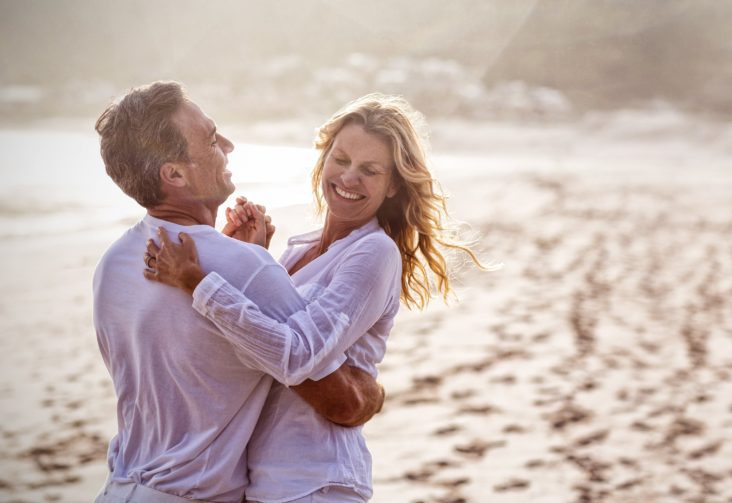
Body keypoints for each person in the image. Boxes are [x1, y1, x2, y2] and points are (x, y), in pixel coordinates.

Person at [145, 93, 485, 502]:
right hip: (265, 476)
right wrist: (255, 258)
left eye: (369, 170)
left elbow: (298, 355)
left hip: (315, 479)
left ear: (394, 184)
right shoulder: (297, 249)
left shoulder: (374, 252)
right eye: (340, 160)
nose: (348, 178)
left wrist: (199, 283)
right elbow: (263, 342)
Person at [92, 81, 384, 503]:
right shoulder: (244, 268)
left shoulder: (114, 262)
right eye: (212, 140)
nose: (228, 145)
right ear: (174, 174)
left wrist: (246, 260)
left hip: (120, 488)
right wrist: (374, 394)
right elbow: (339, 402)